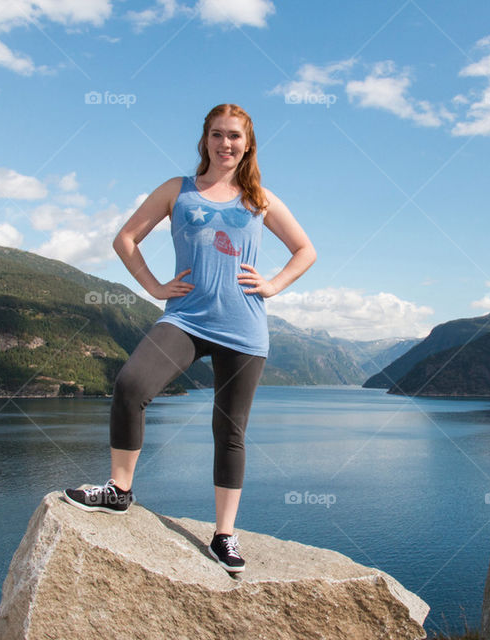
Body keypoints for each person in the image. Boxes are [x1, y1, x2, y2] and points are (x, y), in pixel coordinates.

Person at [64, 103, 316, 573]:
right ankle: (119, 491)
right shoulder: (176, 191)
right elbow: (125, 239)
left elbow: (306, 250)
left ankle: (224, 536)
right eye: (217, 135)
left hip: (243, 327)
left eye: (235, 137)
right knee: (131, 386)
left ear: (248, 144)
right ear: (205, 140)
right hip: (185, 319)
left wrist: (273, 284)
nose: (225, 144)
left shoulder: (260, 198)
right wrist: (156, 287)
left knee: (230, 430)